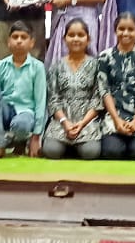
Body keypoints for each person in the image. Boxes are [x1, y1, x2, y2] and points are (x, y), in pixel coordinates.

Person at [96, 12, 135, 160]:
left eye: (130, 29)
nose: (125, 33)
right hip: (114, 117)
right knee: (112, 152)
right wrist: (117, 120)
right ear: (115, 30)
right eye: (121, 29)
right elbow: (104, 91)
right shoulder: (105, 56)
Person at [42, 19, 105, 160]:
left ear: (88, 39)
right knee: (51, 151)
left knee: (91, 153)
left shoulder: (96, 65)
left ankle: (74, 147)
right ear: (64, 39)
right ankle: (68, 146)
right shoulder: (56, 66)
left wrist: (82, 123)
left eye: (80, 35)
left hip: (87, 122)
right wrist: (65, 122)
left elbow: (97, 99)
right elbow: (53, 99)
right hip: (61, 122)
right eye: (71, 35)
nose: (76, 39)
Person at [0, 22, 47, 159]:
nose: (19, 41)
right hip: (5, 110)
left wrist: (36, 137)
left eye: (23, 37)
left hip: (26, 113)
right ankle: (0, 146)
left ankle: (19, 140)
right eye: (15, 37)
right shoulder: (1, 65)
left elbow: (41, 102)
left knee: (21, 125)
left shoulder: (38, 67)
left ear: (31, 43)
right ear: (8, 42)